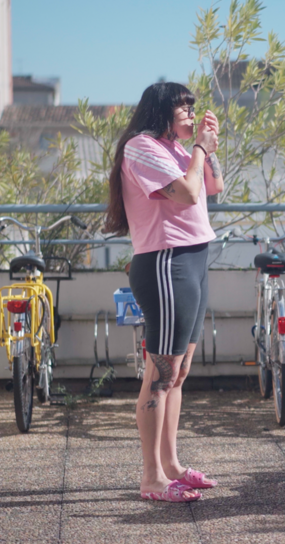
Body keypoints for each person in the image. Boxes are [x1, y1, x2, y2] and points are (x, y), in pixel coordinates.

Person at [104, 82, 225, 502]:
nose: (191, 115)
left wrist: (209, 148)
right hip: (165, 265)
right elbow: (187, 193)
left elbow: (212, 188)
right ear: (161, 111)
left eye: (193, 108)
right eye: (184, 108)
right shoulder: (141, 147)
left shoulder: (176, 148)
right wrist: (200, 151)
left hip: (193, 260)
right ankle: (152, 478)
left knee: (179, 374)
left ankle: (172, 465)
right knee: (160, 376)